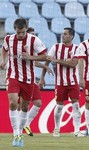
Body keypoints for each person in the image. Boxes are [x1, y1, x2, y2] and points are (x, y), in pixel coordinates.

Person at [0, 18, 47, 147]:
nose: (20, 35)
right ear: (15, 29)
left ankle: (20, 133)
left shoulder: (34, 40)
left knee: (25, 106)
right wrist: (3, 60)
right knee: (13, 103)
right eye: (18, 32)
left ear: (26, 28)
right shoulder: (9, 39)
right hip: (13, 75)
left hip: (28, 79)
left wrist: (31, 57)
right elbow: (4, 49)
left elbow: (45, 56)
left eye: (22, 32)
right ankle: (16, 134)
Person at [39, 27, 84, 137]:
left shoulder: (77, 48)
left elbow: (73, 64)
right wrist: (41, 78)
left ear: (71, 36)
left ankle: (77, 130)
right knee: (59, 106)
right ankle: (56, 129)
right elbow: (48, 61)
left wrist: (57, 60)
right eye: (62, 34)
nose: (62, 36)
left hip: (73, 82)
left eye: (65, 34)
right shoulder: (56, 47)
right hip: (59, 82)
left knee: (76, 105)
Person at [19, 27, 53, 136]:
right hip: (21, 79)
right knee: (22, 105)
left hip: (32, 79)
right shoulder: (21, 49)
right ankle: (18, 131)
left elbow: (35, 61)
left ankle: (26, 124)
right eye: (31, 34)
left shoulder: (34, 49)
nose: (33, 36)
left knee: (38, 103)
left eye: (34, 34)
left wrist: (45, 69)